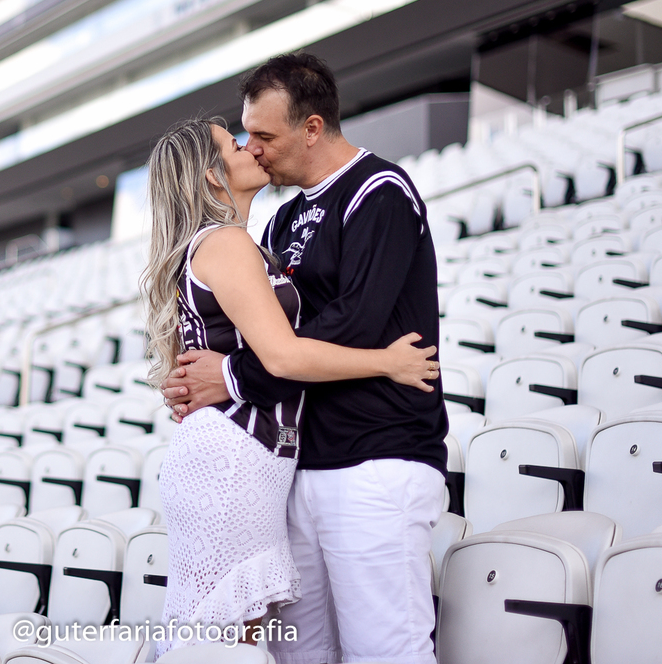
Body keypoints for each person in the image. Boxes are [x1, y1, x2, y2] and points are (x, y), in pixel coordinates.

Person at [163, 53, 448, 664]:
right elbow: (255, 330)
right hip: (294, 464)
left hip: (376, 453)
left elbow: (355, 325)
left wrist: (230, 377)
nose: (254, 150)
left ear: (312, 128)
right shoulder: (279, 218)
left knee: (385, 649)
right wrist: (202, 370)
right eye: (245, 138)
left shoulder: (379, 191)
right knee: (301, 654)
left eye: (264, 136)